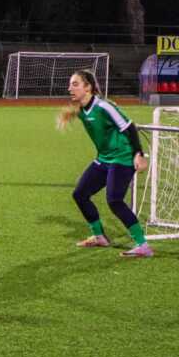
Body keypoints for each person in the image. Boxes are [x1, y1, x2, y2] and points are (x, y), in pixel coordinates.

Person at [56, 69, 153, 257]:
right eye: (70, 84)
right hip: (104, 159)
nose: (70, 88)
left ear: (88, 87)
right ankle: (99, 237)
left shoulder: (103, 106)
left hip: (123, 158)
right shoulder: (81, 108)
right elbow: (74, 111)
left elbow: (129, 127)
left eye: (75, 84)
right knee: (80, 194)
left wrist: (139, 154)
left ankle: (143, 246)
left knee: (114, 200)